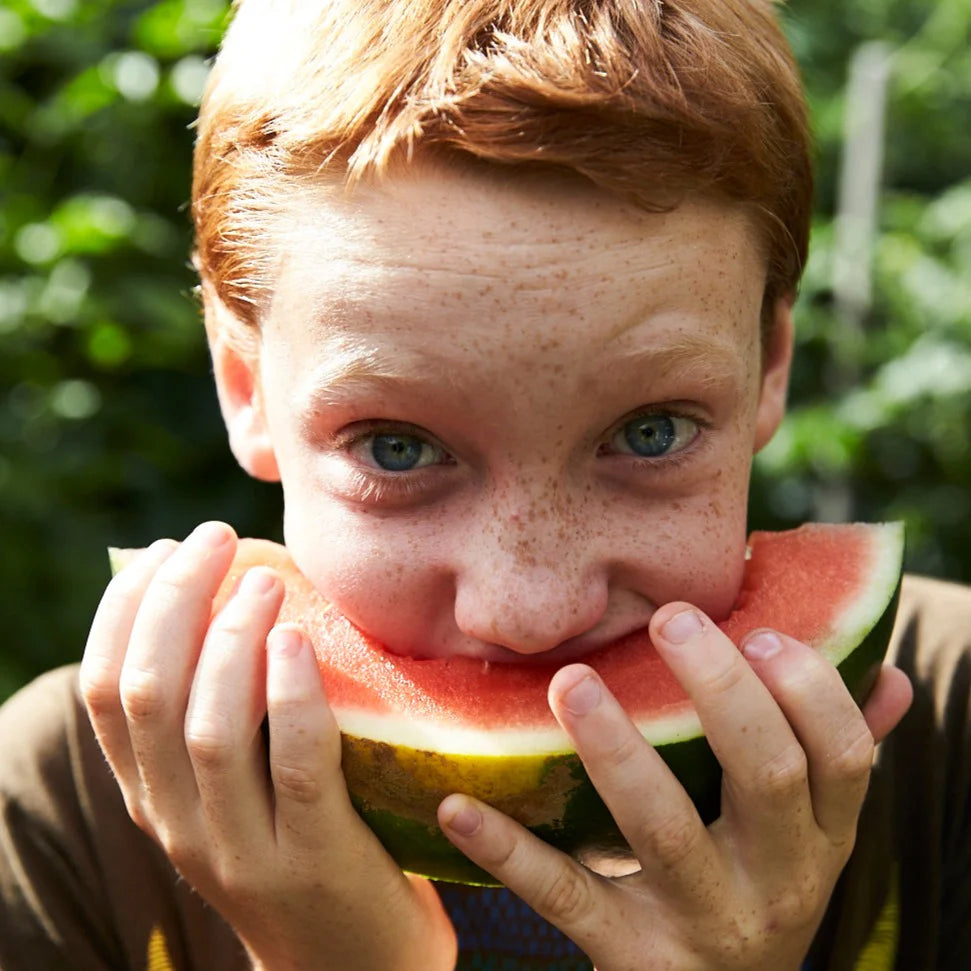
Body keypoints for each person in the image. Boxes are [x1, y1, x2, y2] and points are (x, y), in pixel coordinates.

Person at [1, 0, 968, 968]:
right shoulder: (52, 815)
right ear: (244, 385)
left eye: (649, 431)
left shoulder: (955, 732)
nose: (528, 607)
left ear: (768, 365)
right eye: (396, 449)